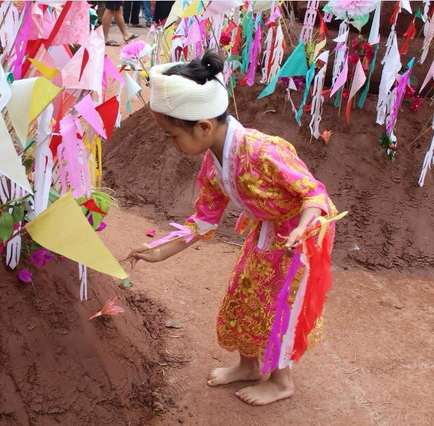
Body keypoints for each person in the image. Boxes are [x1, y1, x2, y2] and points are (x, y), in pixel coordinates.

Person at [127, 51, 338, 406]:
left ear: (204, 127)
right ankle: (248, 365)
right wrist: (158, 250)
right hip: (268, 230)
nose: (171, 145)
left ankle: (281, 379)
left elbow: (313, 194)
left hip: (303, 234)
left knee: (279, 304)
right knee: (245, 290)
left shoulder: (263, 151)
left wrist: (302, 229)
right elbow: (203, 221)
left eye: (172, 136)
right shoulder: (213, 165)